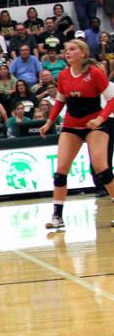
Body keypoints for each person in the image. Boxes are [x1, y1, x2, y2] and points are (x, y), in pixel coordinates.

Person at [40, 39, 114, 228]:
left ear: (83, 53)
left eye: (72, 49)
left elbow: (112, 100)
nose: (68, 52)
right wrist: (49, 122)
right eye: (66, 50)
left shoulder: (95, 73)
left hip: (94, 125)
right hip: (72, 125)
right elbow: (60, 101)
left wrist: (100, 119)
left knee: (101, 169)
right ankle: (57, 217)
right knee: (60, 170)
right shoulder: (64, 76)